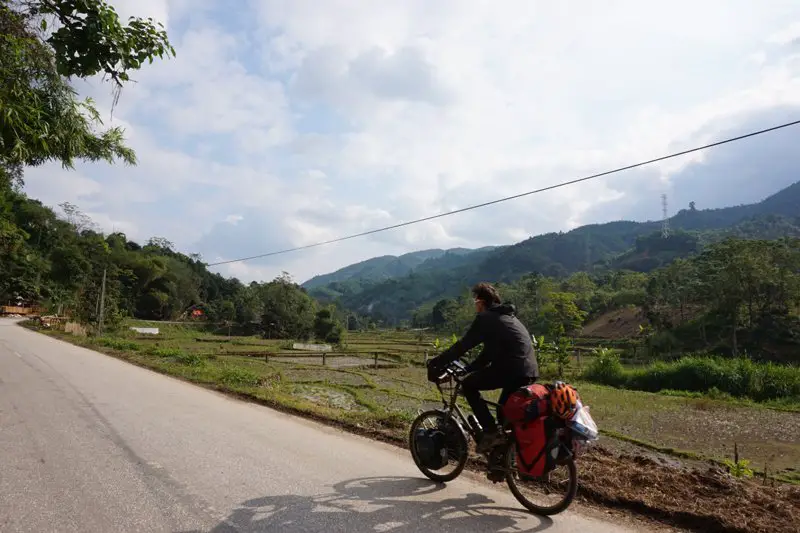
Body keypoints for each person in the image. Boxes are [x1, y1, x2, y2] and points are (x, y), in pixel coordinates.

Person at [426, 282, 539, 453]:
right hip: (529, 371)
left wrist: (436, 362)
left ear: (480, 302)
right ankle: (504, 458)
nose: (475, 307)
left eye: (475, 303)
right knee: (504, 414)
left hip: (511, 369)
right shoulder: (508, 317)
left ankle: (490, 432)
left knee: (468, 386)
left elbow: (463, 345)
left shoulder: (486, 318)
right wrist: (467, 369)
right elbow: (487, 355)